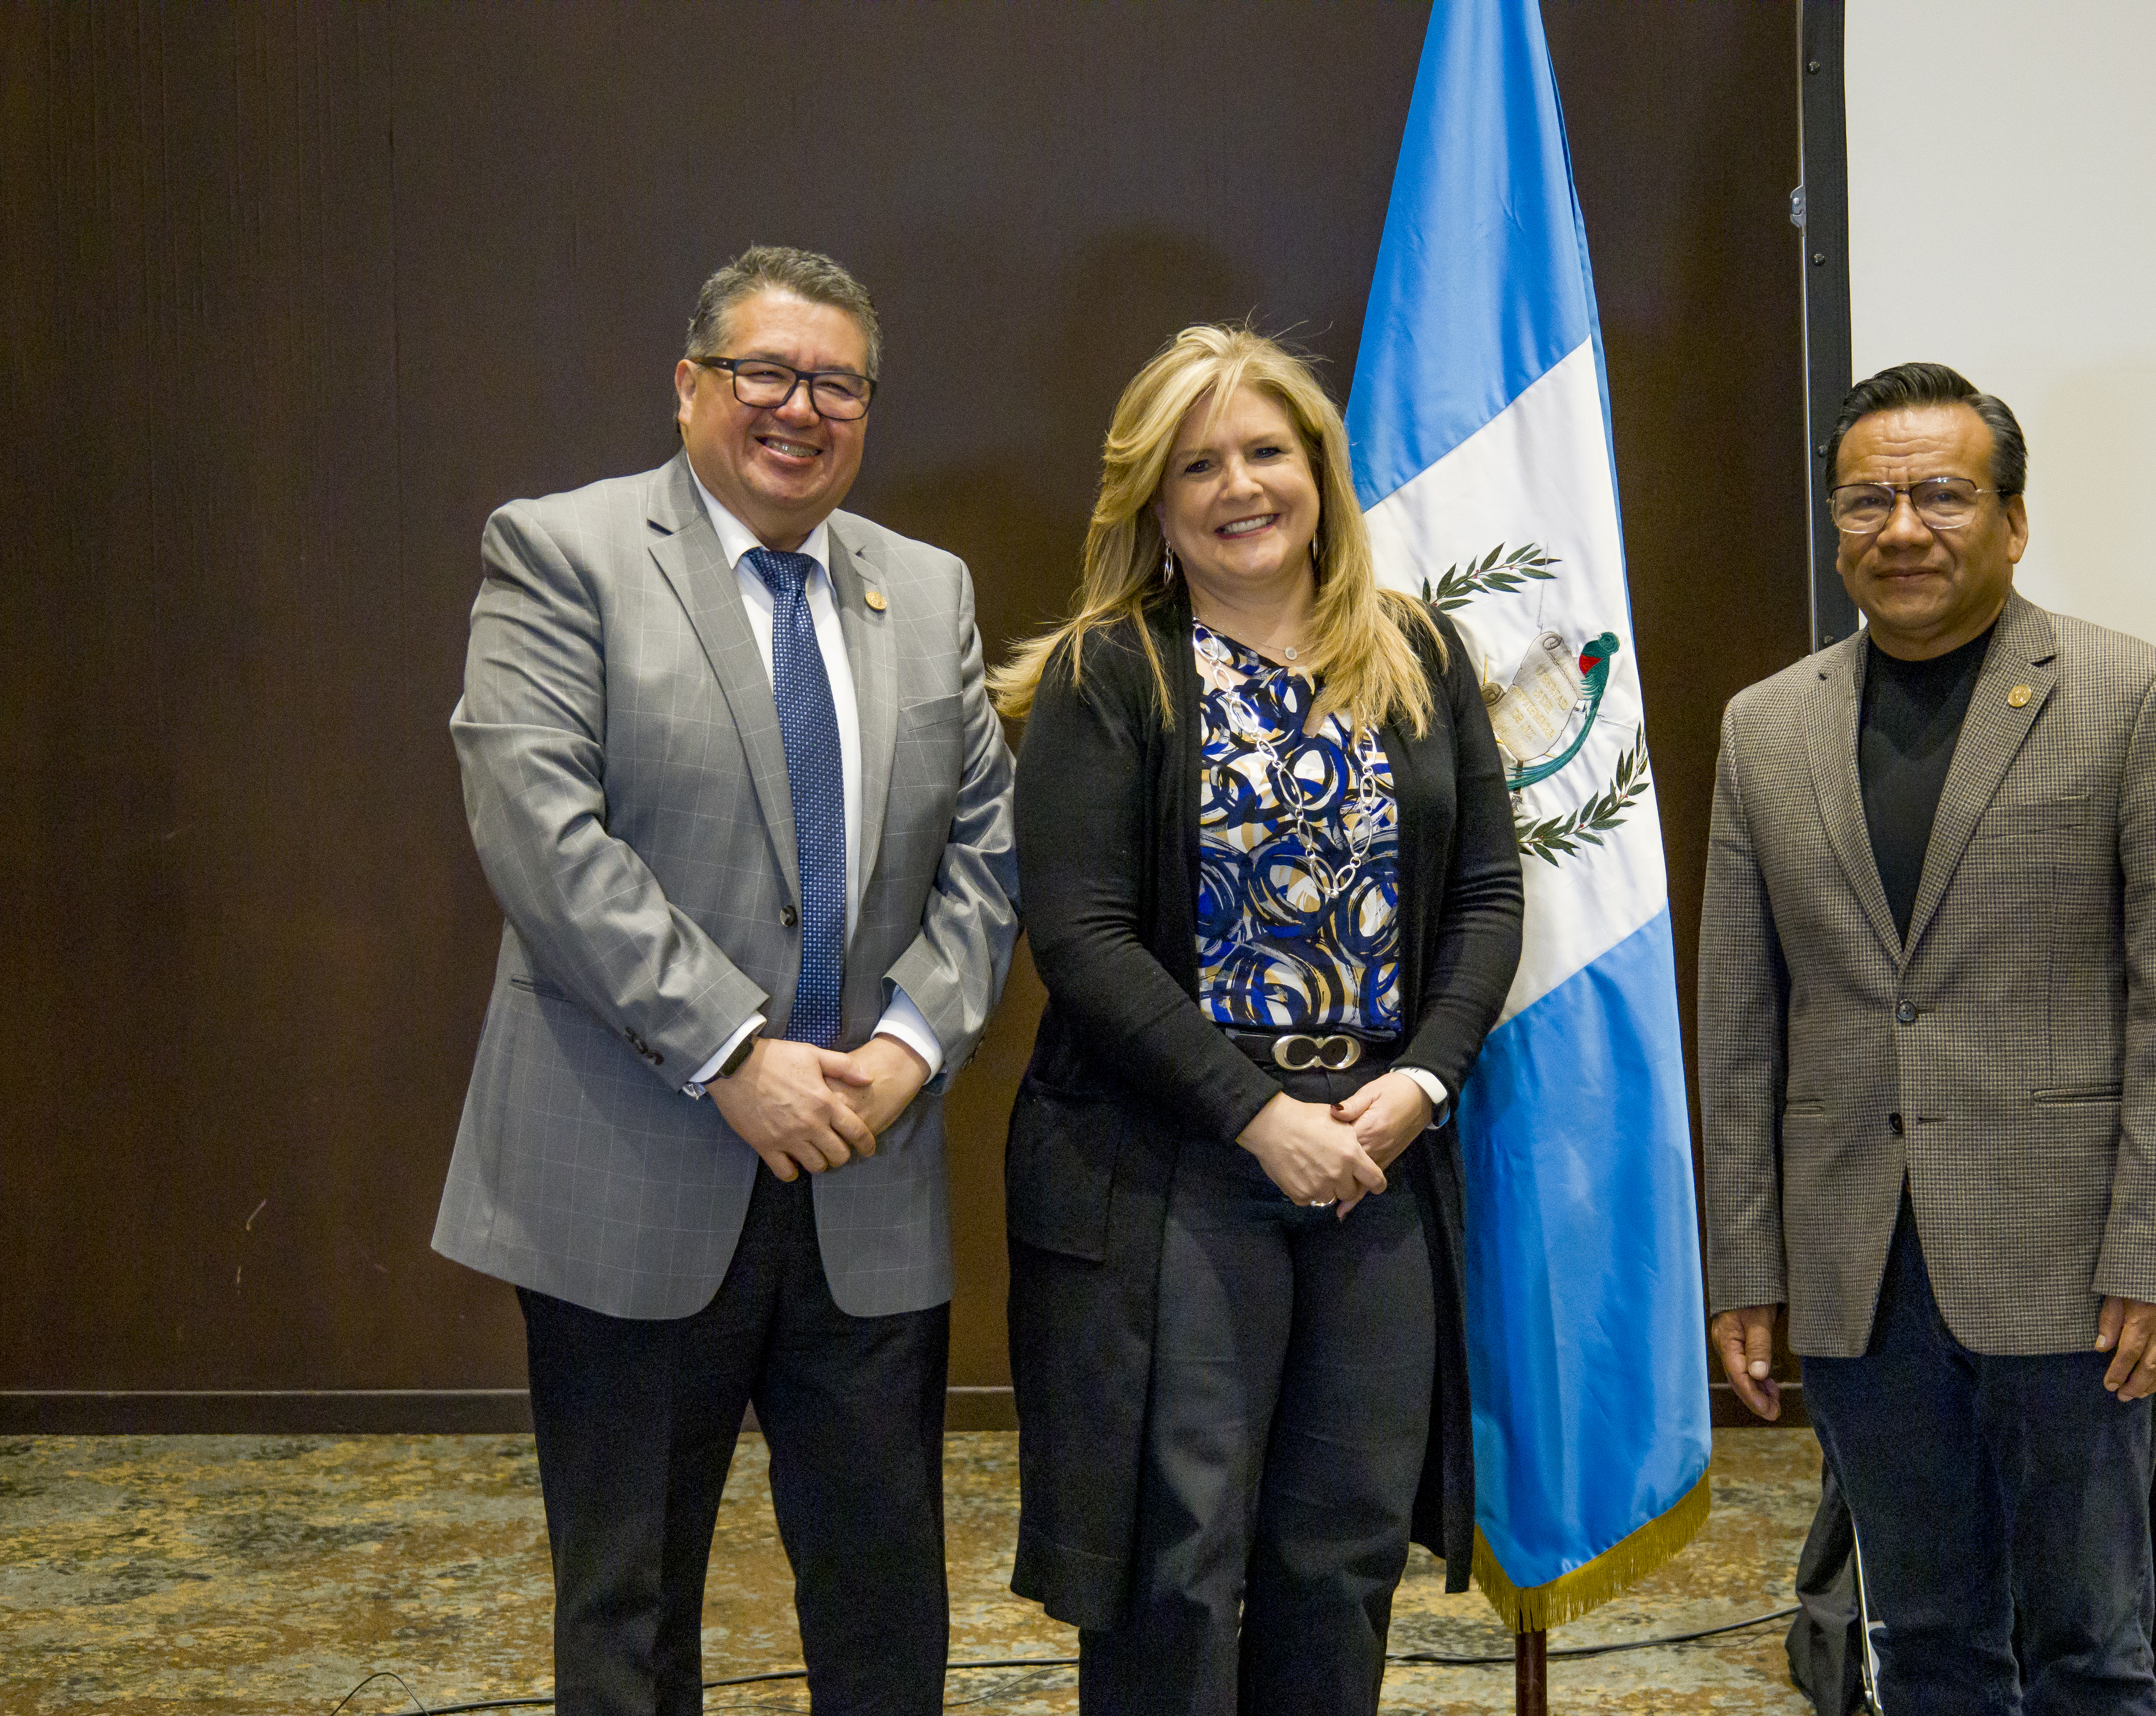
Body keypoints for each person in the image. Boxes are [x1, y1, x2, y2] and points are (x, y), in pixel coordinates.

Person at [432, 245, 1018, 1716]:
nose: (798, 408)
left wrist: (906, 1045)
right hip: (632, 1172)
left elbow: (987, 859)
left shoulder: (929, 587)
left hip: (866, 1178)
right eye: (766, 371)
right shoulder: (561, 551)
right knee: (629, 1610)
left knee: (887, 1605)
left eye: (836, 382)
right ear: (692, 385)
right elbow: (543, 839)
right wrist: (734, 1053)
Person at [1699, 362, 2156, 1714]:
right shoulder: (1766, 728)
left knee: (2090, 1649)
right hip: (1857, 1271)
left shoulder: (2136, 700)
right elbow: (1742, 1024)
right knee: (1928, 1643)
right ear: (1836, 524)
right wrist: (1747, 1263)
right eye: (1867, 500)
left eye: (1943, 493)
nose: (1903, 527)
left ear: (2012, 520)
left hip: (2077, 1275)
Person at [991, 325, 1523, 1714]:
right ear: (1154, 502)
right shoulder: (1114, 671)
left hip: (1376, 1153)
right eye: (1199, 463)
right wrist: (1255, 1115)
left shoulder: (1414, 651)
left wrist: (1421, 1088)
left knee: (1341, 1552)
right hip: (1177, 1163)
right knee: (1179, 1560)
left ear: (1319, 472)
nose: (1241, 485)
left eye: (1267, 452)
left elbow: (1485, 893)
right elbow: (1084, 940)